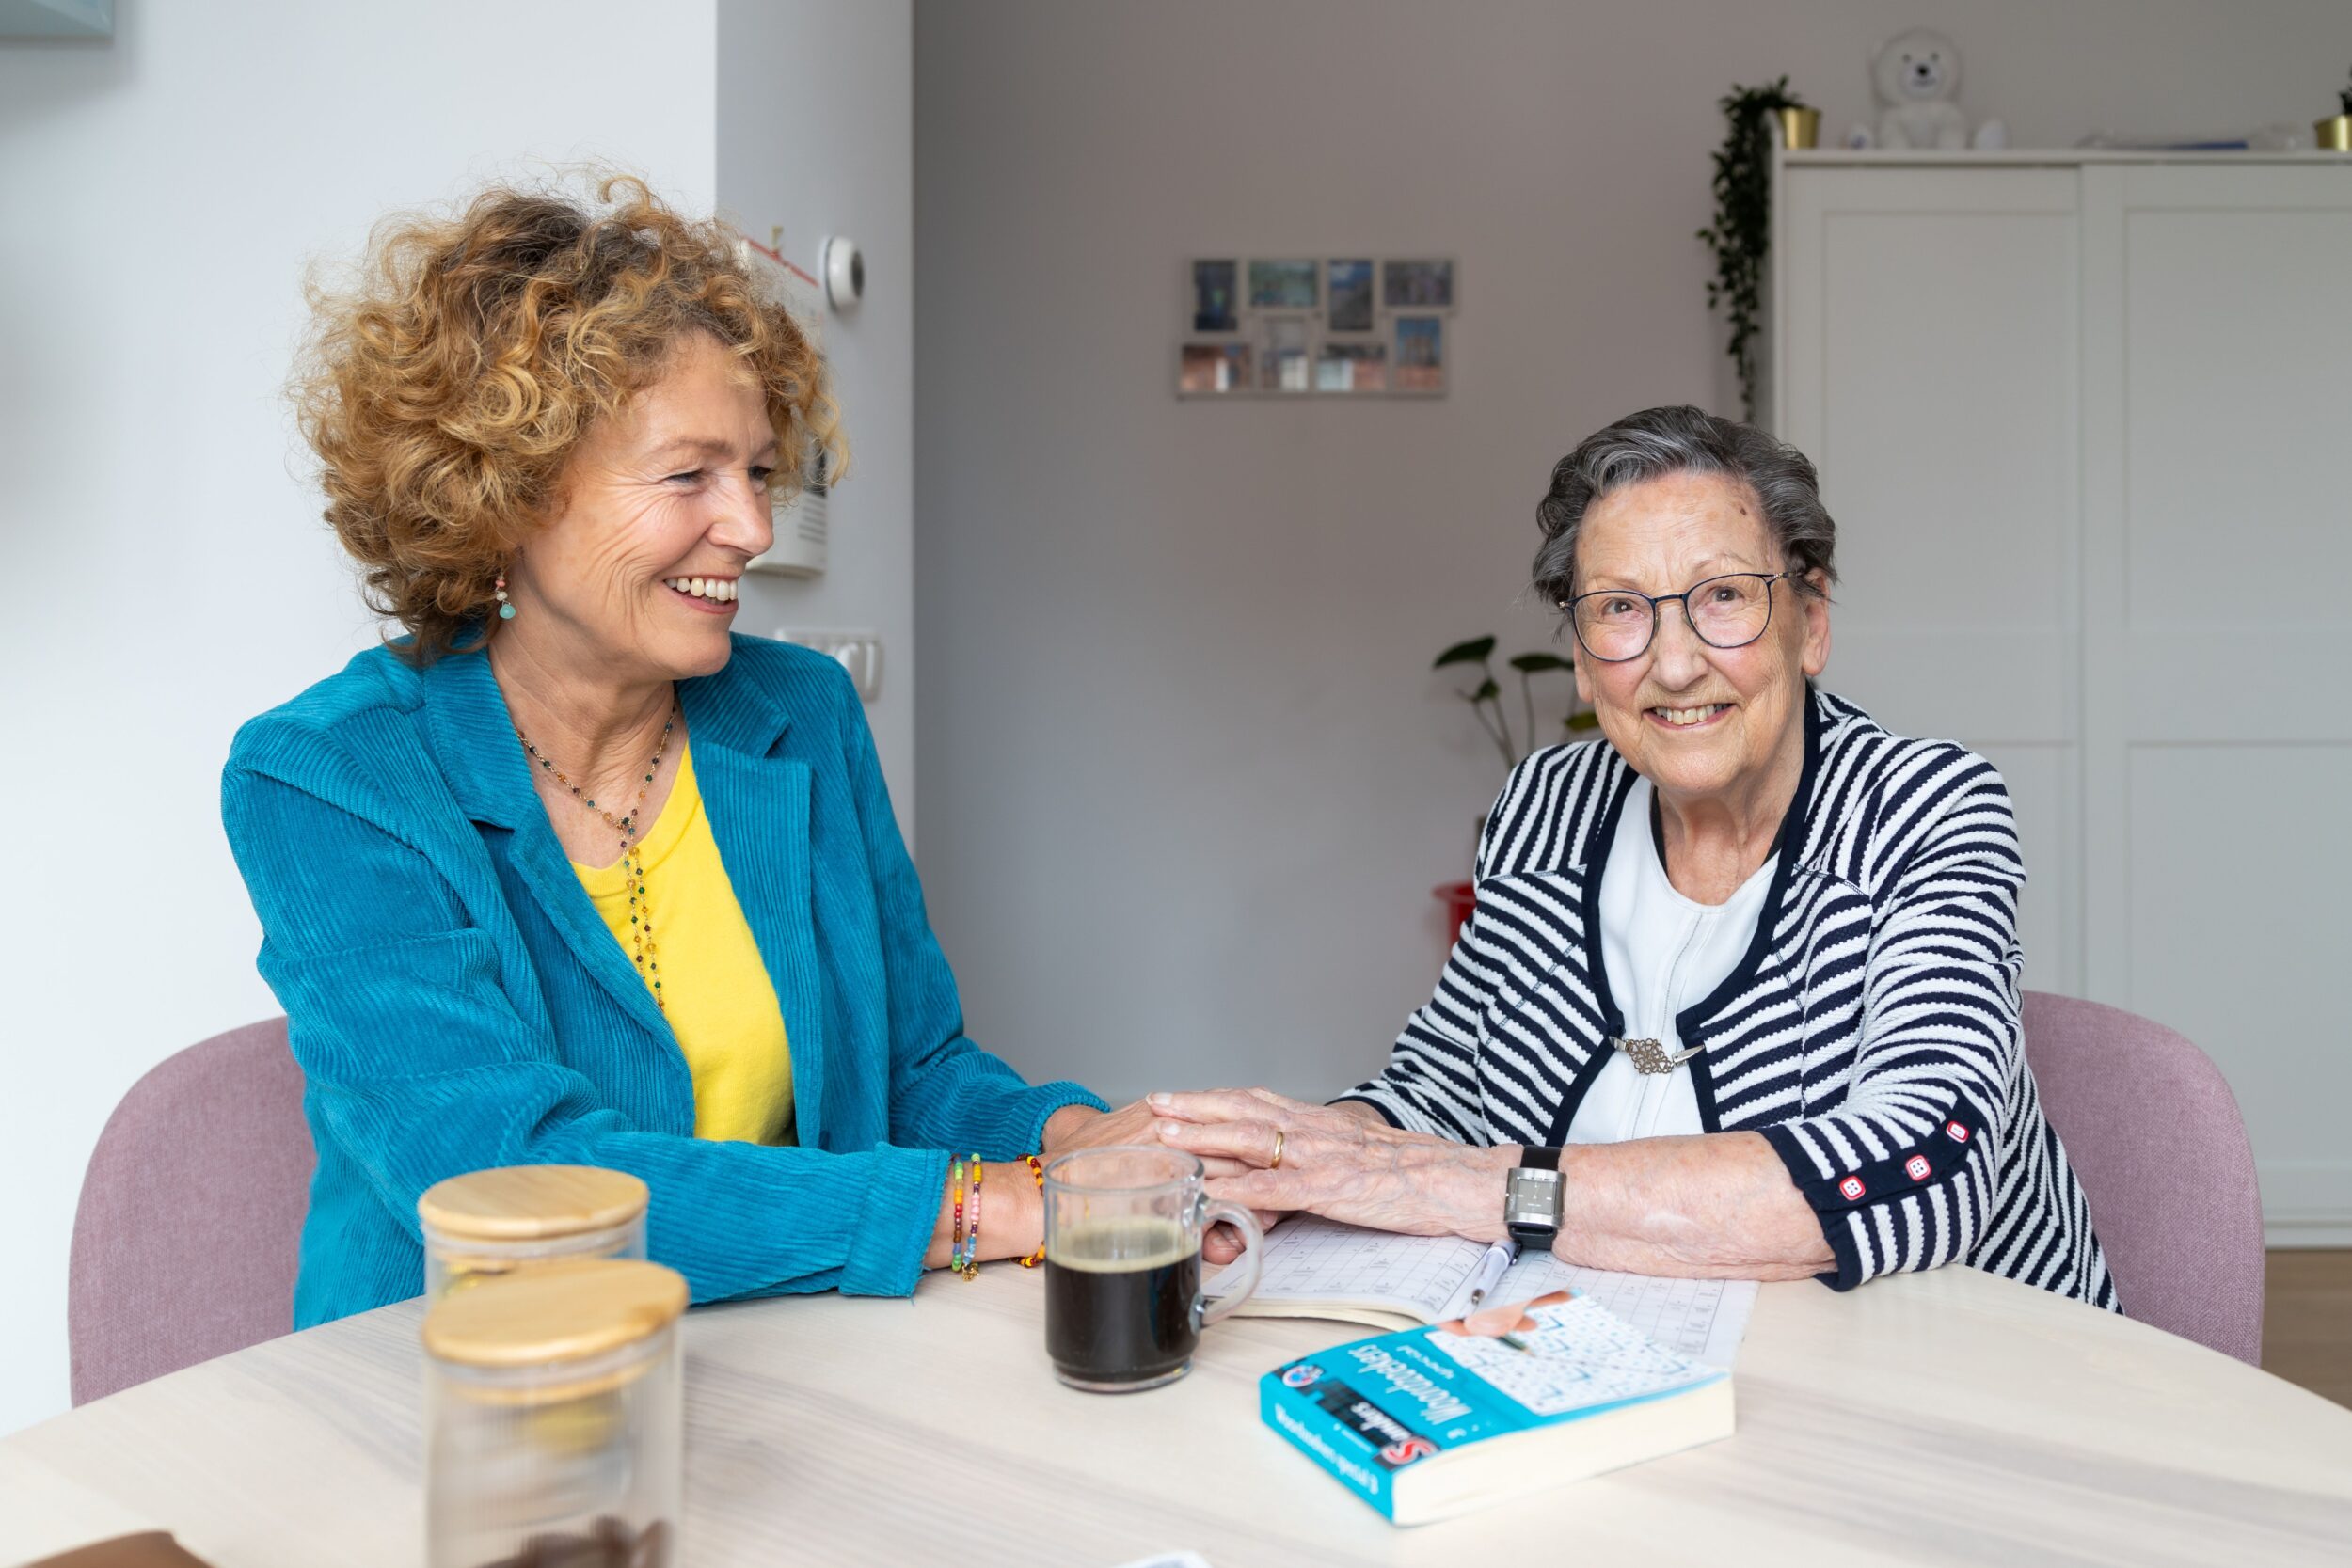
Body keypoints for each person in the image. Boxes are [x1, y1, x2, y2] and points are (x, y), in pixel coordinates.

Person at [226, 176, 1154, 1327]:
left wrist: (1084, 1141)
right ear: (508, 493)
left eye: (757, 471)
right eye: (688, 475)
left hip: (775, 1351)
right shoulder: (330, 776)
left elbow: (909, 1067)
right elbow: (518, 1183)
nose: (753, 528)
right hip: (463, 1379)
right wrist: (987, 1206)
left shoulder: (802, 711)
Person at [1156, 405, 2116, 1307]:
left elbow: (1922, 1162)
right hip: (1634, 1357)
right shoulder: (1544, 809)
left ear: (1811, 620)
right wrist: (1290, 1165)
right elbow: (1437, 1090)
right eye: (1620, 608)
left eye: (1724, 597)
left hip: (1957, 1369)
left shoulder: (1923, 810)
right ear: (1582, 657)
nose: (1674, 662)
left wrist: (1470, 1186)